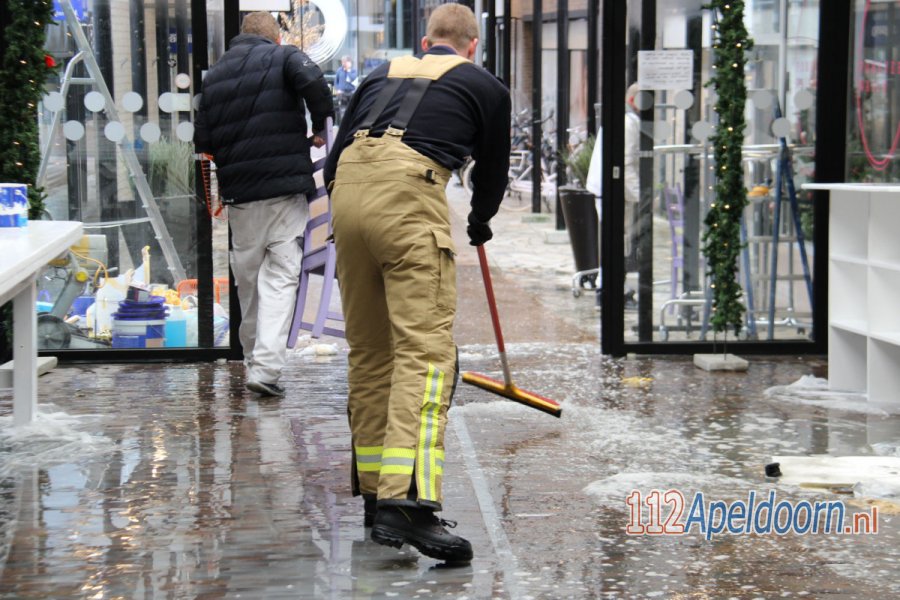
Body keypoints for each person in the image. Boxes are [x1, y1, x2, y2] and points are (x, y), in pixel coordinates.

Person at [324, 3, 510, 564]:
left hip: (346, 199)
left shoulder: (380, 73)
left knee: (372, 352)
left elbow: (335, 156)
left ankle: (378, 492)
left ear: (427, 41)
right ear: (472, 45)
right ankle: (406, 503)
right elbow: (494, 171)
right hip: (407, 201)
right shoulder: (483, 84)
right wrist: (480, 221)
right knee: (424, 356)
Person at [194, 11, 334, 397]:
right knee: (281, 275)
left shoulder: (215, 77)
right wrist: (321, 124)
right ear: (275, 38)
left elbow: (202, 144)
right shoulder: (284, 57)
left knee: (249, 283)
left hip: (241, 197)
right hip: (284, 191)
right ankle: (266, 369)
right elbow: (314, 83)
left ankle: (255, 359)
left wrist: (212, 194)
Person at [585, 82, 642, 308]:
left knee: (615, 240)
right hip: (614, 191)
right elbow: (625, 163)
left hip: (608, 188)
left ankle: (610, 286)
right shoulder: (627, 123)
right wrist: (638, 195)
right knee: (617, 240)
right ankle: (609, 288)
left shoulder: (622, 120)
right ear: (632, 100)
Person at [333, 55, 358, 122]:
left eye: (345, 62)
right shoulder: (339, 70)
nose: (343, 64)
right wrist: (338, 89)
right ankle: (343, 124)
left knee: (351, 109)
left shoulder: (353, 71)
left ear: (349, 62)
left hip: (351, 92)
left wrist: (348, 71)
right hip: (342, 93)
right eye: (342, 62)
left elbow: (352, 78)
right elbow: (336, 81)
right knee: (342, 110)